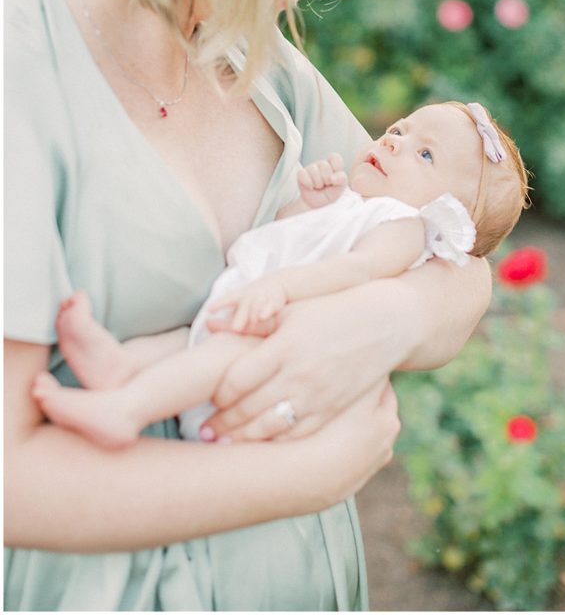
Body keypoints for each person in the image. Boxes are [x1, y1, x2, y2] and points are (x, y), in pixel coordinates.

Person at [5, 0, 493, 612]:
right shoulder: (16, 88)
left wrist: (370, 324)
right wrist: (308, 476)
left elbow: (451, 258)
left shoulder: (257, 67)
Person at [32, 101, 527, 450]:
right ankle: (119, 366)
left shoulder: (404, 229)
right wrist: (310, 205)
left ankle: (129, 409)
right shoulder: (356, 205)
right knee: (188, 342)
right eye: (401, 128)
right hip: (253, 303)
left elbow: (354, 269)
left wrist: (279, 287)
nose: (395, 143)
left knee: (216, 355)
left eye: (425, 154)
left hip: (275, 328)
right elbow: (290, 238)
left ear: (446, 213)